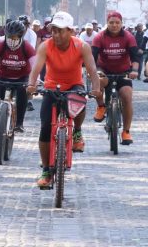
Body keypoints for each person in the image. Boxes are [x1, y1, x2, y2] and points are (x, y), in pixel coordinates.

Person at [27, 11, 101, 188]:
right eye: (53, 30)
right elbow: (36, 70)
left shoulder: (82, 46)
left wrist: (96, 89)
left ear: (71, 31)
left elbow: (92, 70)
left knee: (80, 101)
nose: (56, 34)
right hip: (52, 86)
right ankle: (46, 170)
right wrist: (31, 85)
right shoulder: (45, 46)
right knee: (45, 128)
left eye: (60, 30)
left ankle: (77, 131)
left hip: (74, 85)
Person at [0, 20, 36, 146]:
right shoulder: (1, 46)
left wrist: (33, 82)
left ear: (20, 36)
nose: (11, 40)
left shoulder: (27, 47)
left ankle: (19, 123)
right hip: (2, 77)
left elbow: (35, 67)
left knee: (22, 93)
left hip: (21, 78)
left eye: (14, 37)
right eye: (9, 37)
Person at [91, 11, 139, 145]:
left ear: (121, 24)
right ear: (107, 23)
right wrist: (91, 71)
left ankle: (126, 132)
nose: (114, 25)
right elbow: (92, 57)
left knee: (127, 96)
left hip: (123, 72)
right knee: (98, 80)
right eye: (111, 22)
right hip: (104, 70)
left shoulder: (129, 37)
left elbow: (135, 57)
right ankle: (101, 106)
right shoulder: (99, 37)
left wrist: (134, 71)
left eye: (117, 22)